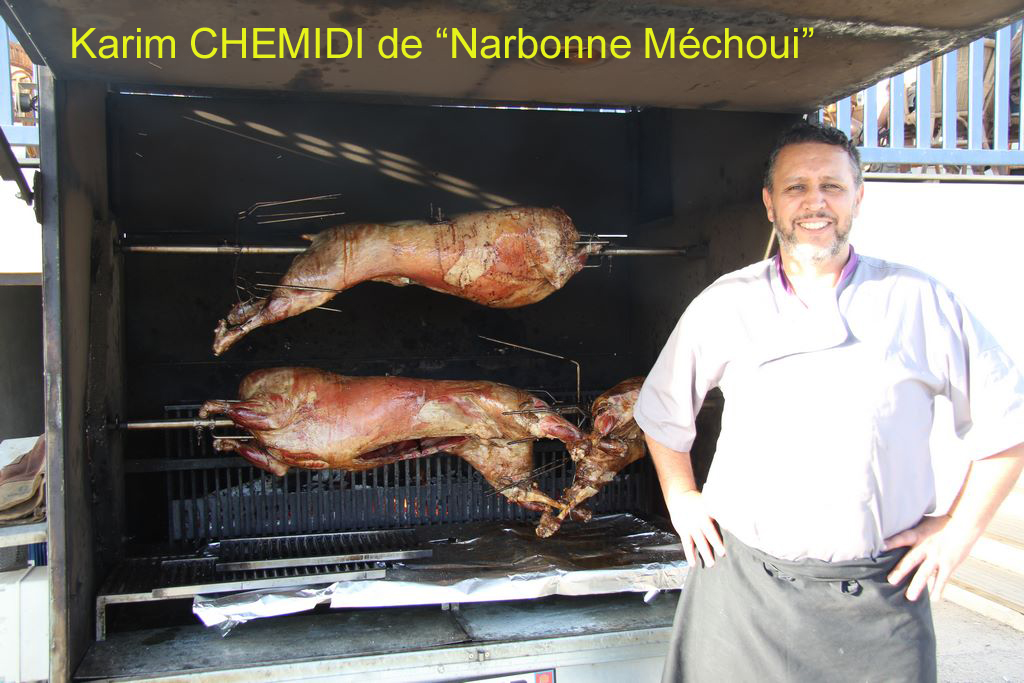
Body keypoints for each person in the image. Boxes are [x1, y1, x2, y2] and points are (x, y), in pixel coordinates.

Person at [633, 121, 1024, 682]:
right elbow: (662, 409)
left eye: (832, 187)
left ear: (858, 198)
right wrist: (681, 496)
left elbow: (1008, 424)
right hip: (742, 593)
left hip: (880, 600)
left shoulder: (918, 300)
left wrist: (959, 530)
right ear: (769, 203)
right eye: (796, 187)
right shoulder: (727, 302)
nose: (814, 202)